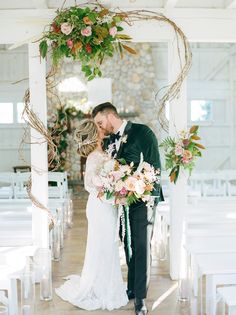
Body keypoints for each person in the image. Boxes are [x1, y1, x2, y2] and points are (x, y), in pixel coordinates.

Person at [92, 102, 164, 315]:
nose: (100, 128)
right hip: (122, 203)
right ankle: (132, 287)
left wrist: (145, 192)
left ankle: (141, 299)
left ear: (110, 116)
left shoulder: (142, 132)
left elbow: (154, 166)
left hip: (143, 199)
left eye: (100, 122)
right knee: (128, 243)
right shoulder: (110, 141)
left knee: (141, 246)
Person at [55, 119, 128, 310]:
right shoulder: (93, 157)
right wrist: (111, 196)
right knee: (101, 245)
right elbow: (89, 184)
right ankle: (100, 288)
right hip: (100, 207)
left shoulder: (102, 153)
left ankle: (108, 284)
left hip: (106, 206)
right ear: (94, 134)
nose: (102, 128)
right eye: (98, 128)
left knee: (108, 245)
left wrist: (114, 191)